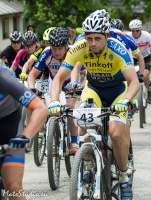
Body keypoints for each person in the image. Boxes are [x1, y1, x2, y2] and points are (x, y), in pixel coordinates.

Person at [48, 13, 139, 200]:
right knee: (85, 126)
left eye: (97, 38)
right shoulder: (80, 47)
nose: (93, 43)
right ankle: (88, 161)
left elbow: (134, 82)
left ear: (107, 36)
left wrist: (125, 101)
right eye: (89, 38)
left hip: (117, 93)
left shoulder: (118, 49)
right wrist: (55, 101)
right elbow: (59, 77)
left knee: (115, 132)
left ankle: (123, 176)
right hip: (94, 90)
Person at [28, 27, 79, 155]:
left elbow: (74, 73)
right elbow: (32, 75)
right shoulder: (46, 53)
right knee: (52, 110)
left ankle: (74, 142)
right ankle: (54, 140)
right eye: (53, 48)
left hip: (70, 82)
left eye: (59, 48)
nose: (56, 52)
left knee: (69, 110)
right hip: (54, 81)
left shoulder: (73, 52)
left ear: (66, 46)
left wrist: (73, 87)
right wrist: (32, 89)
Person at [0, 64, 48, 200]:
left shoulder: (4, 77)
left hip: (9, 129)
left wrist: (24, 136)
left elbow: (40, 108)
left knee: (13, 187)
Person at [128, 19, 151, 104]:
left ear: (140, 30)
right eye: (132, 30)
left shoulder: (147, 36)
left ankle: (148, 91)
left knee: (144, 76)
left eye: (137, 30)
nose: (135, 33)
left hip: (145, 57)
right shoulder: (128, 37)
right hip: (133, 58)